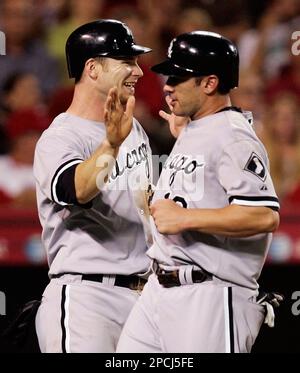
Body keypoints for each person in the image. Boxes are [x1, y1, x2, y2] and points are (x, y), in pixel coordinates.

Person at [116, 31, 280, 353]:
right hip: (160, 290)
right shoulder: (196, 127)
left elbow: (263, 215)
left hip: (209, 295)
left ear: (209, 84)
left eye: (179, 77)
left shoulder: (234, 137)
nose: (167, 86)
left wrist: (186, 218)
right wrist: (187, 138)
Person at [33, 19, 153, 353]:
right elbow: (77, 190)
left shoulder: (134, 129)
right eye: (127, 61)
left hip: (143, 298)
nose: (139, 71)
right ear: (93, 69)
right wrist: (111, 146)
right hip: (88, 299)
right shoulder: (60, 137)